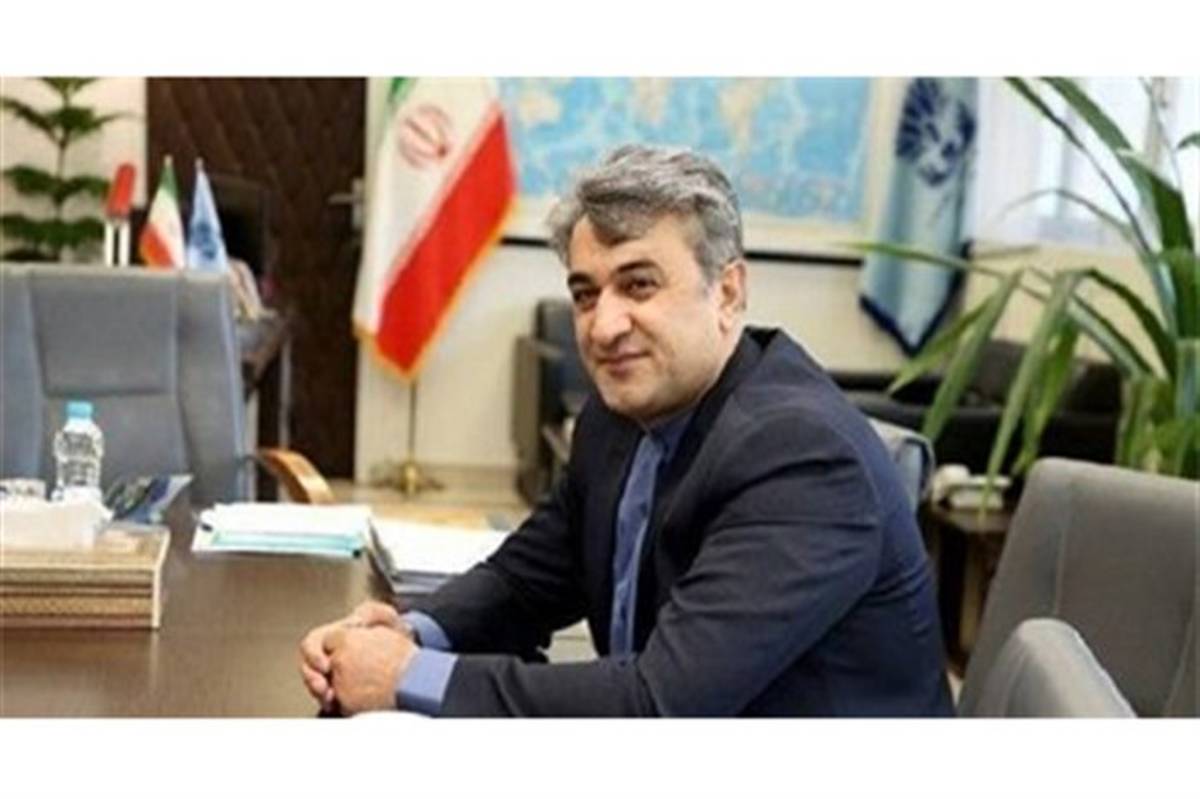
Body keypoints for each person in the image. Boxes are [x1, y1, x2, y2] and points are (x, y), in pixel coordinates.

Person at [300, 144, 954, 717]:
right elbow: (525, 580)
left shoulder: (801, 457)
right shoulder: (617, 417)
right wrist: (412, 633)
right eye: (586, 294)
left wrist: (408, 677)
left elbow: (658, 704)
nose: (604, 326)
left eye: (639, 285)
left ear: (727, 293)